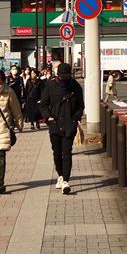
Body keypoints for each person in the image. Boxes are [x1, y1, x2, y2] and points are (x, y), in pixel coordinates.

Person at [39, 62, 85, 195]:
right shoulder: (50, 86)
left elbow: (80, 106)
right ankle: (60, 175)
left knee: (67, 152)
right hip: (54, 124)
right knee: (57, 153)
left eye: (66, 77)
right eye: (62, 77)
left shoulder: (75, 86)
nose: (64, 79)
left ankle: (65, 180)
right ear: (57, 75)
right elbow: (43, 104)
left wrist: (75, 118)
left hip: (69, 124)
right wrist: (48, 117)